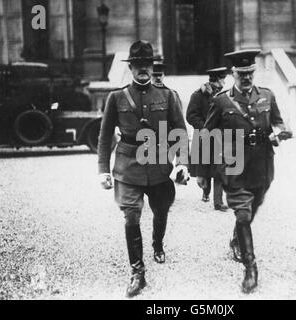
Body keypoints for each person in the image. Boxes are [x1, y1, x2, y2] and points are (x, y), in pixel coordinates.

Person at [97, 40, 189, 298]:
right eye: (137, 65)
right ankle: (138, 271)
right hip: (127, 166)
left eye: (146, 64)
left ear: (152, 66)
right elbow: (105, 137)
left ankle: (157, 243)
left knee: (161, 210)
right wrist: (103, 169)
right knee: (131, 216)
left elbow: (180, 131)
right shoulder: (116, 97)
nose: (142, 70)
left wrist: (183, 163)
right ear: (131, 68)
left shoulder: (168, 96)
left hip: (159, 165)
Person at [196, 50, 292, 294]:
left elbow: (279, 122)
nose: (246, 78)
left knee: (252, 210)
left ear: (254, 72)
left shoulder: (267, 96)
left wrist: (279, 131)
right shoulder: (221, 101)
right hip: (234, 168)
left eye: (250, 73)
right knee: (242, 215)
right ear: (233, 74)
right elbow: (206, 136)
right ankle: (250, 269)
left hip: (262, 166)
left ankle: (237, 239)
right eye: (241, 74)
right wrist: (202, 172)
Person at [187, 67, 228, 212]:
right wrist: (205, 127)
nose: (224, 81)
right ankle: (205, 191)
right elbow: (190, 115)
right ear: (217, 80)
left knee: (219, 168)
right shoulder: (198, 95)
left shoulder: (225, 96)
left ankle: (218, 201)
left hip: (219, 137)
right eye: (223, 78)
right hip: (204, 136)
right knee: (204, 169)